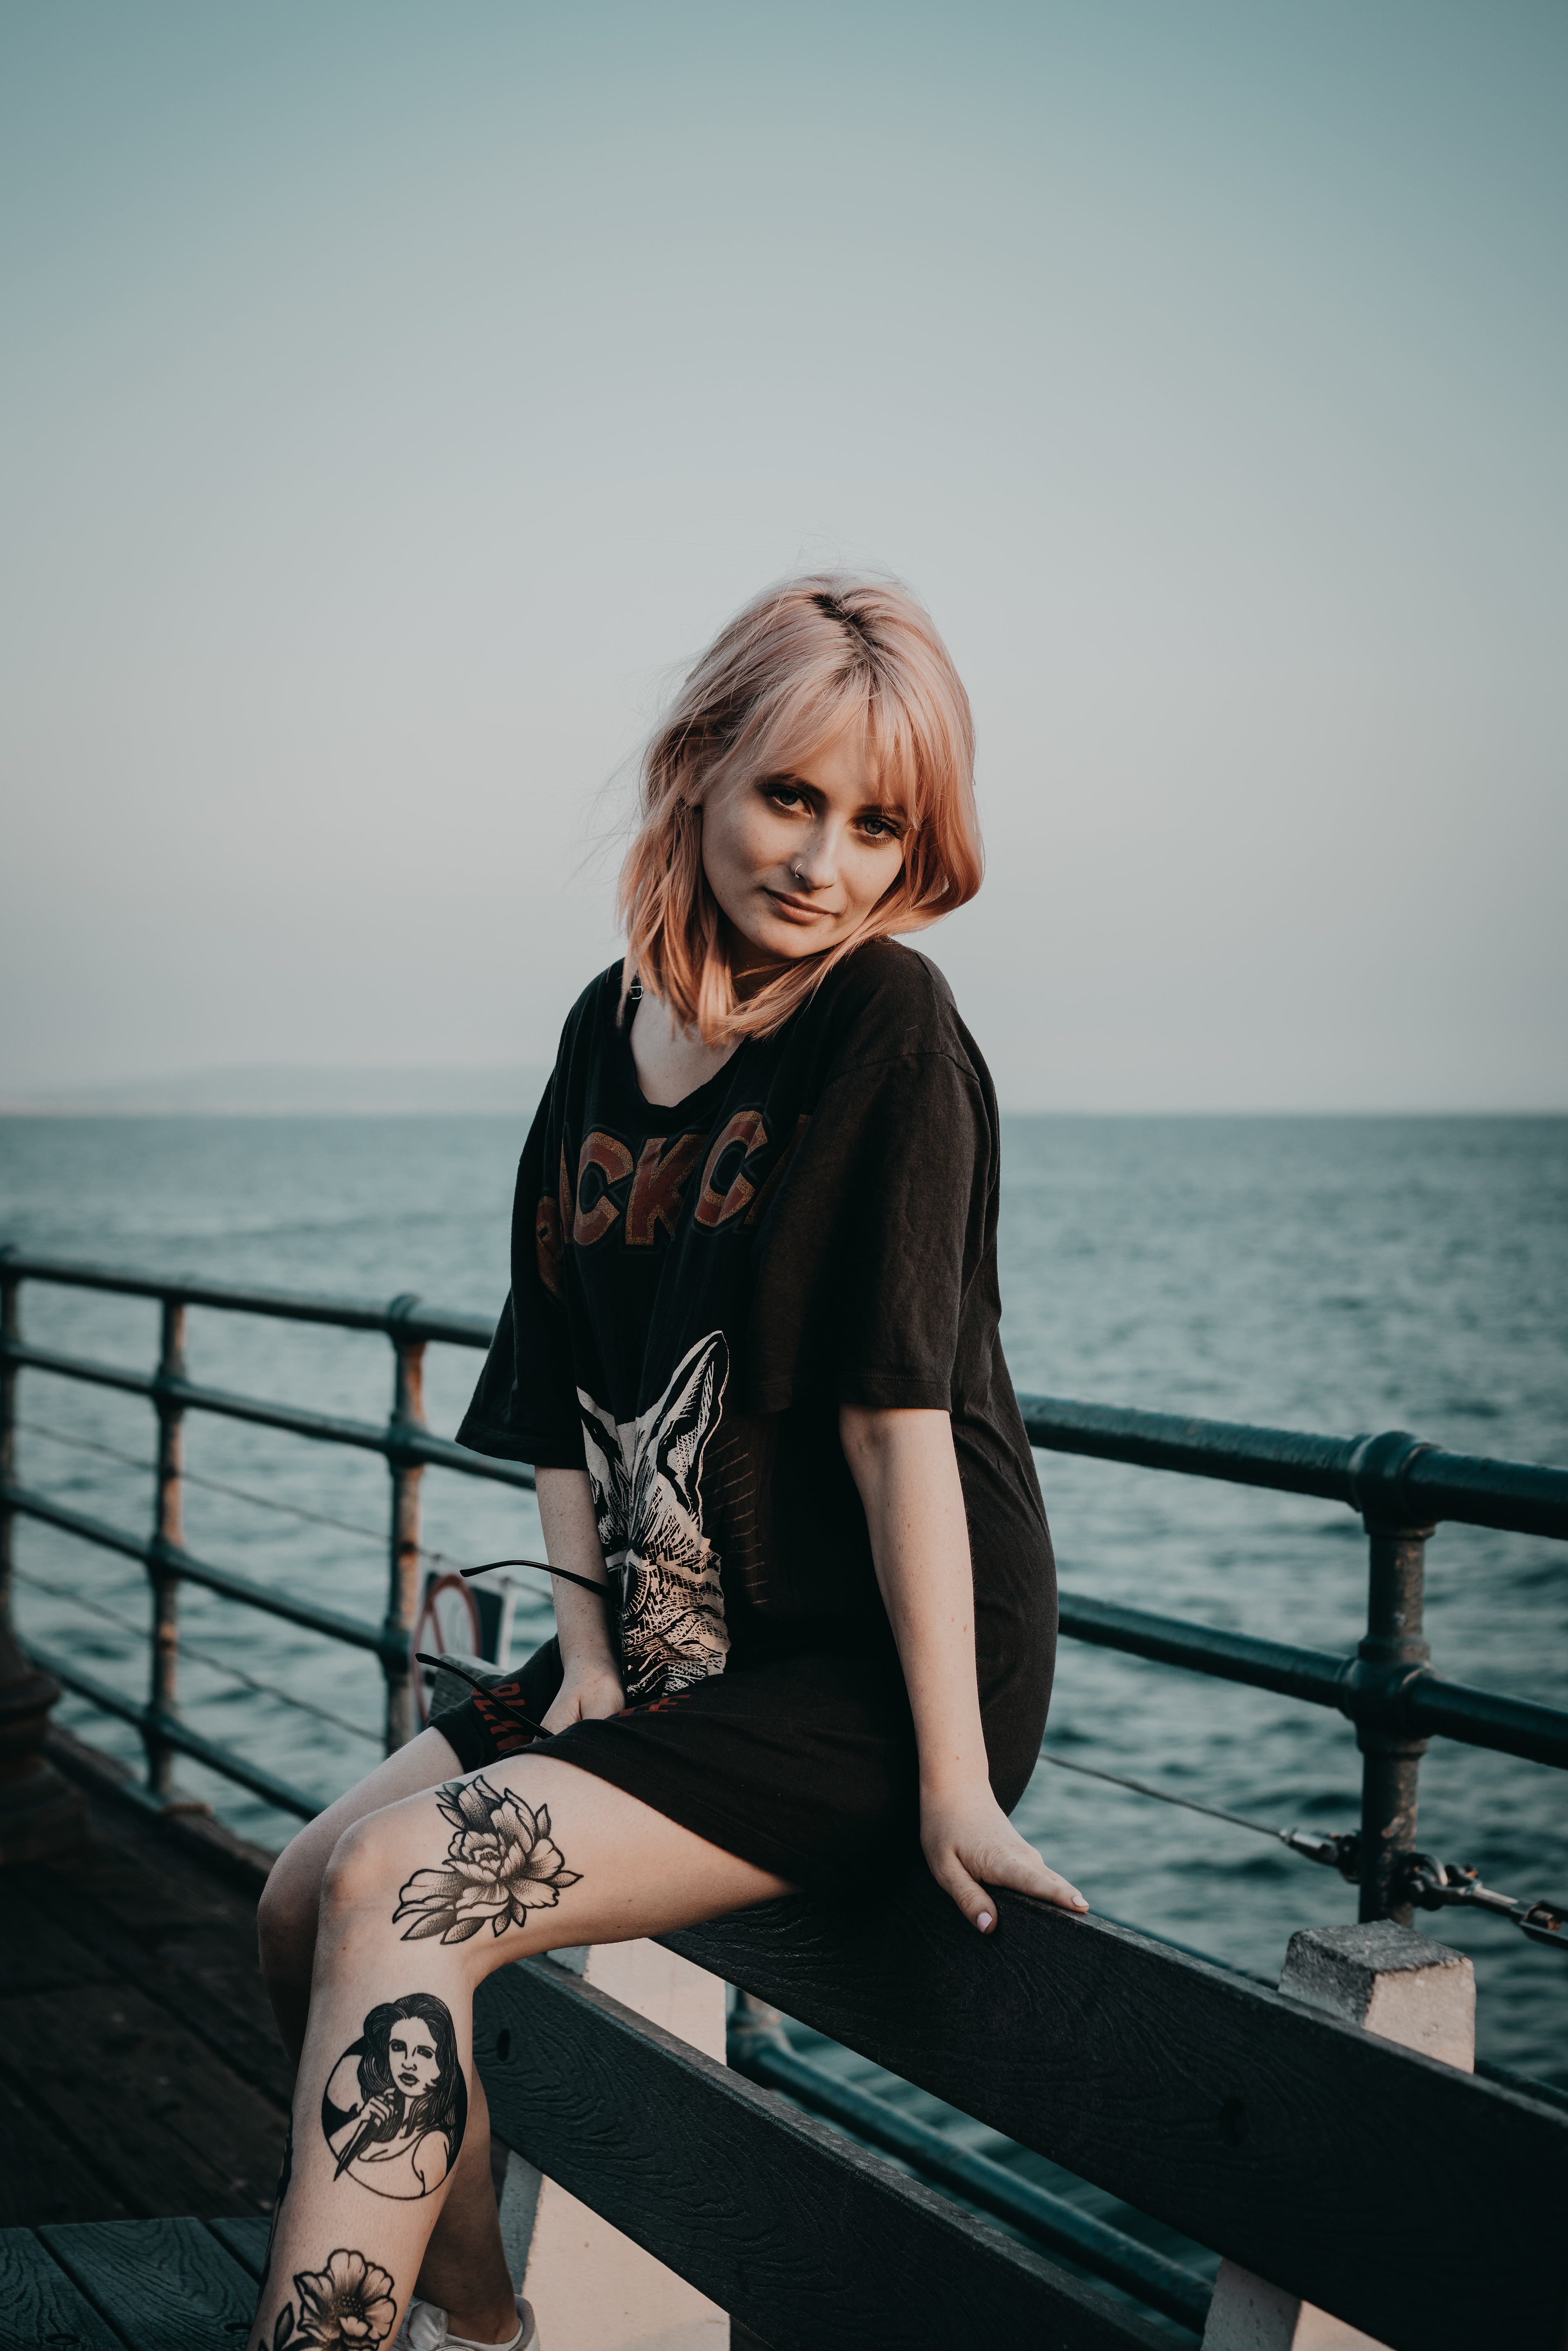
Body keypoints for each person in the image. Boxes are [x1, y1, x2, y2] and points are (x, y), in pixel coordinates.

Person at [251, 573, 1086, 2351]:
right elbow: (557, 1385)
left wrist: (954, 1779)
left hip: (868, 1680)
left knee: (405, 1890)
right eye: (792, 798)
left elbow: (896, 1421)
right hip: (663, 1644)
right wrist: (600, 1671)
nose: (827, 864)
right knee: (297, 1899)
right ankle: (484, 2331)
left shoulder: (891, 1026)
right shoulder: (599, 1030)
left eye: (880, 826)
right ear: (700, 771)